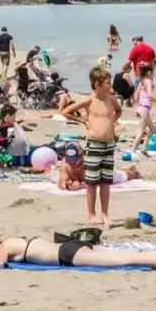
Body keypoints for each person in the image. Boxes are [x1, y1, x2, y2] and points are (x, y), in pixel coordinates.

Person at [59, 66, 123, 227]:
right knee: (92, 182)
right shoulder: (89, 100)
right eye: (108, 83)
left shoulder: (111, 99)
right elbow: (65, 111)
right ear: (97, 84)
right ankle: (91, 214)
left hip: (109, 144)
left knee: (106, 181)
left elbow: (119, 111)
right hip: (93, 144)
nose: (111, 86)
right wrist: (83, 120)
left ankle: (105, 214)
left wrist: (111, 122)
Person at [0, 236, 156, 270]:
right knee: (123, 257)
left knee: (126, 260)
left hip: (68, 255)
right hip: (70, 245)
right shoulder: (12, 240)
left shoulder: (3, 247)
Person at [130, 62, 156, 150]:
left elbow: (136, 95)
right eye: (153, 72)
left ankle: (144, 148)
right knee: (141, 131)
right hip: (144, 108)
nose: (154, 74)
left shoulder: (142, 81)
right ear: (149, 73)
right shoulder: (148, 81)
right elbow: (150, 94)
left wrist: (136, 107)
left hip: (143, 108)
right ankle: (133, 150)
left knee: (152, 129)